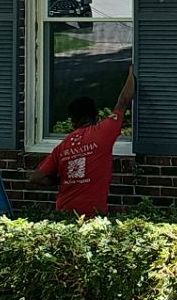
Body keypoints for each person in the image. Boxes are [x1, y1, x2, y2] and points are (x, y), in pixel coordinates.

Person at [31, 67, 135, 216]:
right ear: (97, 117)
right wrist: (133, 70)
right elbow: (123, 101)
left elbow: (36, 177)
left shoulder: (62, 147)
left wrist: (62, 180)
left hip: (64, 213)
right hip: (93, 213)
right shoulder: (104, 131)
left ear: (73, 122)